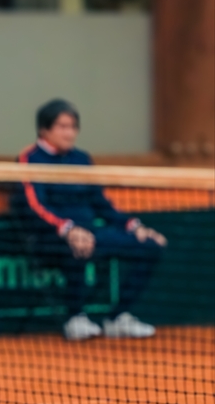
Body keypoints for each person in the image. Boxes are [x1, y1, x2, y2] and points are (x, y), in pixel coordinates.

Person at [13, 99, 167, 341]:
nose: (70, 132)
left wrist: (135, 227)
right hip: (49, 239)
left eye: (73, 126)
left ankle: (118, 317)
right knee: (81, 244)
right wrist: (68, 230)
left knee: (150, 246)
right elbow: (34, 206)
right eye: (62, 126)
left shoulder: (81, 159)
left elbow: (101, 204)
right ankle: (75, 317)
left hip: (90, 233)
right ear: (44, 130)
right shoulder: (29, 159)